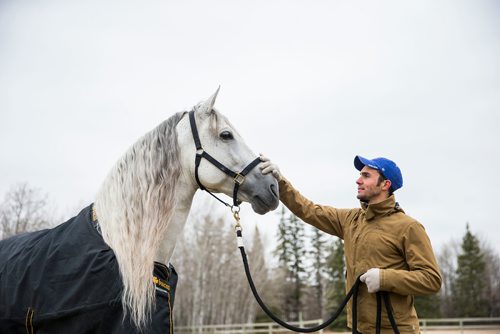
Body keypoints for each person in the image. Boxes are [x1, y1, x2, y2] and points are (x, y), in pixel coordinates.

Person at [260, 155, 441, 334]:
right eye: (360, 175)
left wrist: (385, 278)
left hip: (395, 330)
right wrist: (280, 182)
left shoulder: (408, 227)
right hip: (359, 329)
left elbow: (431, 279)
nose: (358, 180)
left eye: (366, 176)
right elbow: (308, 210)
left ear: (385, 185)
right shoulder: (350, 219)